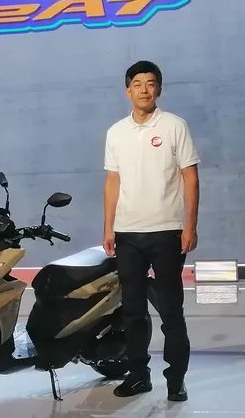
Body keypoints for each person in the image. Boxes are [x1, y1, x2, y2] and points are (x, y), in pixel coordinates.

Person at [103, 61, 200, 402]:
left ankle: (176, 379)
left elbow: (190, 177)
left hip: (167, 232)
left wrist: (190, 225)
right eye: (138, 84)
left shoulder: (174, 125)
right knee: (132, 311)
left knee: (171, 310)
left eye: (150, 83)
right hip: (128, 233)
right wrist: (109, 227)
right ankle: (138, 375)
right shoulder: (116, 132)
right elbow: (112, 182)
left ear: (158, 88)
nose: (144, 89)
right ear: (127, 90)